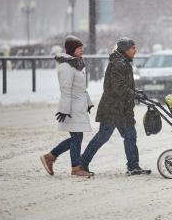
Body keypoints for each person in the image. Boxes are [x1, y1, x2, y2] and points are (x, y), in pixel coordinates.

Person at [80, 37, 151, 176]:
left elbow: (123, 86)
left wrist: (136, 92)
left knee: (129, 135)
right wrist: (134, 95)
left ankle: (133, 166)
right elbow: (118, 87)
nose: (135, 51)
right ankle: (82, 164)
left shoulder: (122, 62)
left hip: (121, 109)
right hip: (113, 108)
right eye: (133, 48)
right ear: (125, 50)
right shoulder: (119, 64)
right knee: (104, 136)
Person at [40, 36, 93, 177]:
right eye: (79, 48)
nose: (82, 50)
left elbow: (81, 88)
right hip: (71, 108)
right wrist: (64, 109)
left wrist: (88, 102)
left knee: (77, 138)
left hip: (78, 106)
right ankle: (75, 168)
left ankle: (50, 157)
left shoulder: (77, 64)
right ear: (71, 49)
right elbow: (65, 89)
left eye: (82, 48)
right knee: (77, 137)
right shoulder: (66, 66)